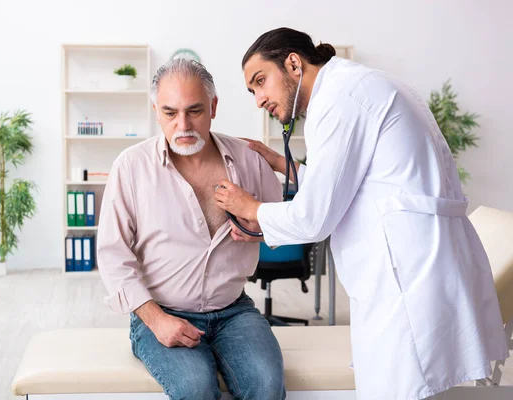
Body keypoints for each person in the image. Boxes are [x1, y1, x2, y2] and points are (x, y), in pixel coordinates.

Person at [214, 27, 509, 400]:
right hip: (415, 267)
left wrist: (251, 208)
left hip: (405, 277)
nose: (258, 99)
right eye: (252, 90)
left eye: (260, 82)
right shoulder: (354, 86)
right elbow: (351, 183)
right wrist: (280, 163)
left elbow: (315, 218)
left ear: (293, 63)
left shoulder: (338, 100)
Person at [97, 58, 286, 400]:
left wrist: (259, 224)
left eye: (194, 111)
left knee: (267, 387)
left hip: (234, 311)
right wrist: (155, 319)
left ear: (213, 107)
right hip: (161, 311)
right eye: (170, 113)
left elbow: (284, 227)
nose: (182, 125)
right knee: (196, 389)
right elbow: (112, 253)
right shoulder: (131, 167)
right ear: (156, 111)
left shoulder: (249, 160)